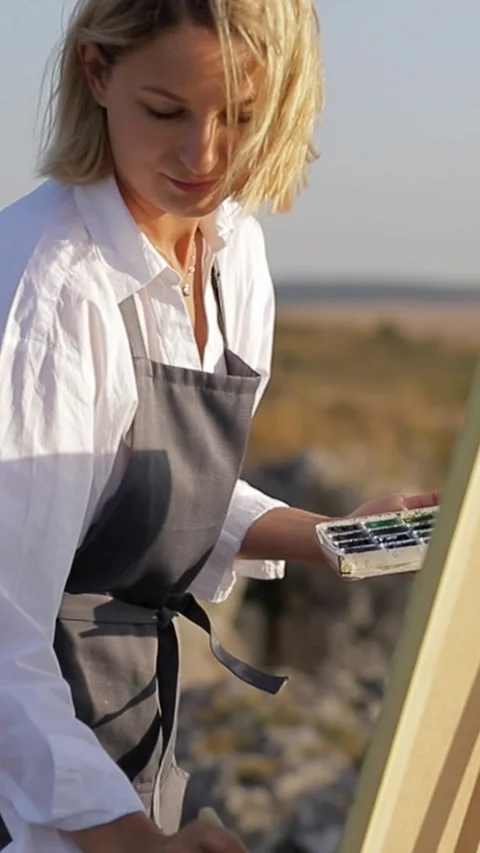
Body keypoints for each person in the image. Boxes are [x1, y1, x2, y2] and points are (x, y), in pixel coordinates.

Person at [0, 0, 439, 851]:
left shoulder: (233, 253)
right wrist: (135, 841)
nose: (204, 157)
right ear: (97, 72)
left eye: (243, 116)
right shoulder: (47, 293)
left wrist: (333, 537)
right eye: (166, 112)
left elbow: (140, 477)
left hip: (123, 733)